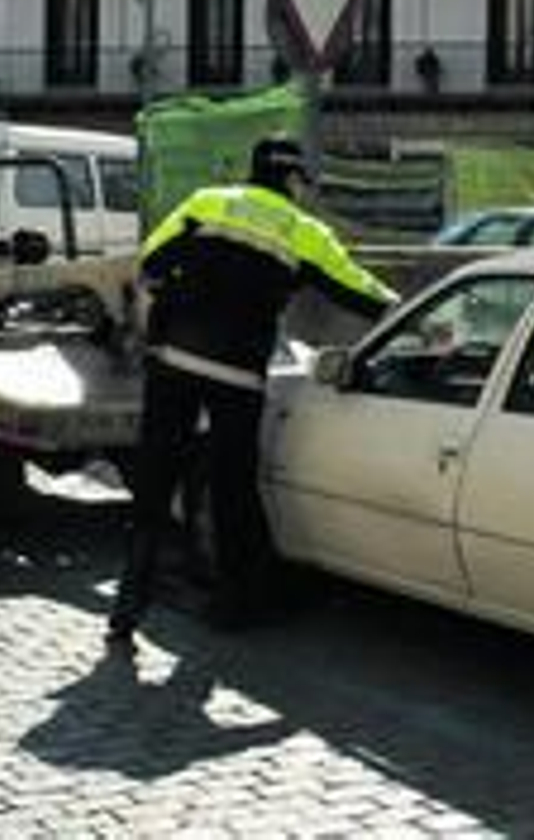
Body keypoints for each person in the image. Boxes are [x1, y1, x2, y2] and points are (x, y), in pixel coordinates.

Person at [108, 135, 397, 651]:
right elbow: (359, 292)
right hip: (237, 373)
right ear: (291, 180)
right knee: (232, 486)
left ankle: (126, 611)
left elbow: (150, 262)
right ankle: (234, 604)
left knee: (155, 482)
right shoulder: (305, 232)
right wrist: (419, 318)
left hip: (174, 358)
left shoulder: (206, 202)